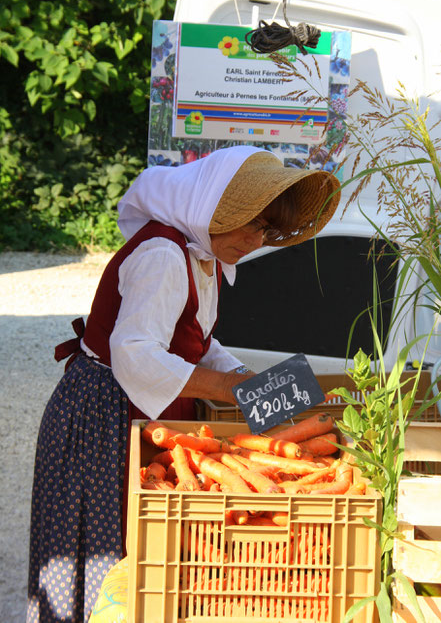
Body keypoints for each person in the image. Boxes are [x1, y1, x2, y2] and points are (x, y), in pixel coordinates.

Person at [26, 145, 340, 622]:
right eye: (253, 223)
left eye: (267, 230)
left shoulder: (201, 256)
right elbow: (135, 353)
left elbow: (196, 342)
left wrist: (253, 382)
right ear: (215, 207)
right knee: (101, 549)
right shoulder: (163, 255)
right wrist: (231, 390)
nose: (258, 240)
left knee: (136, 549)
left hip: (133, 411)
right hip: (105, 415)